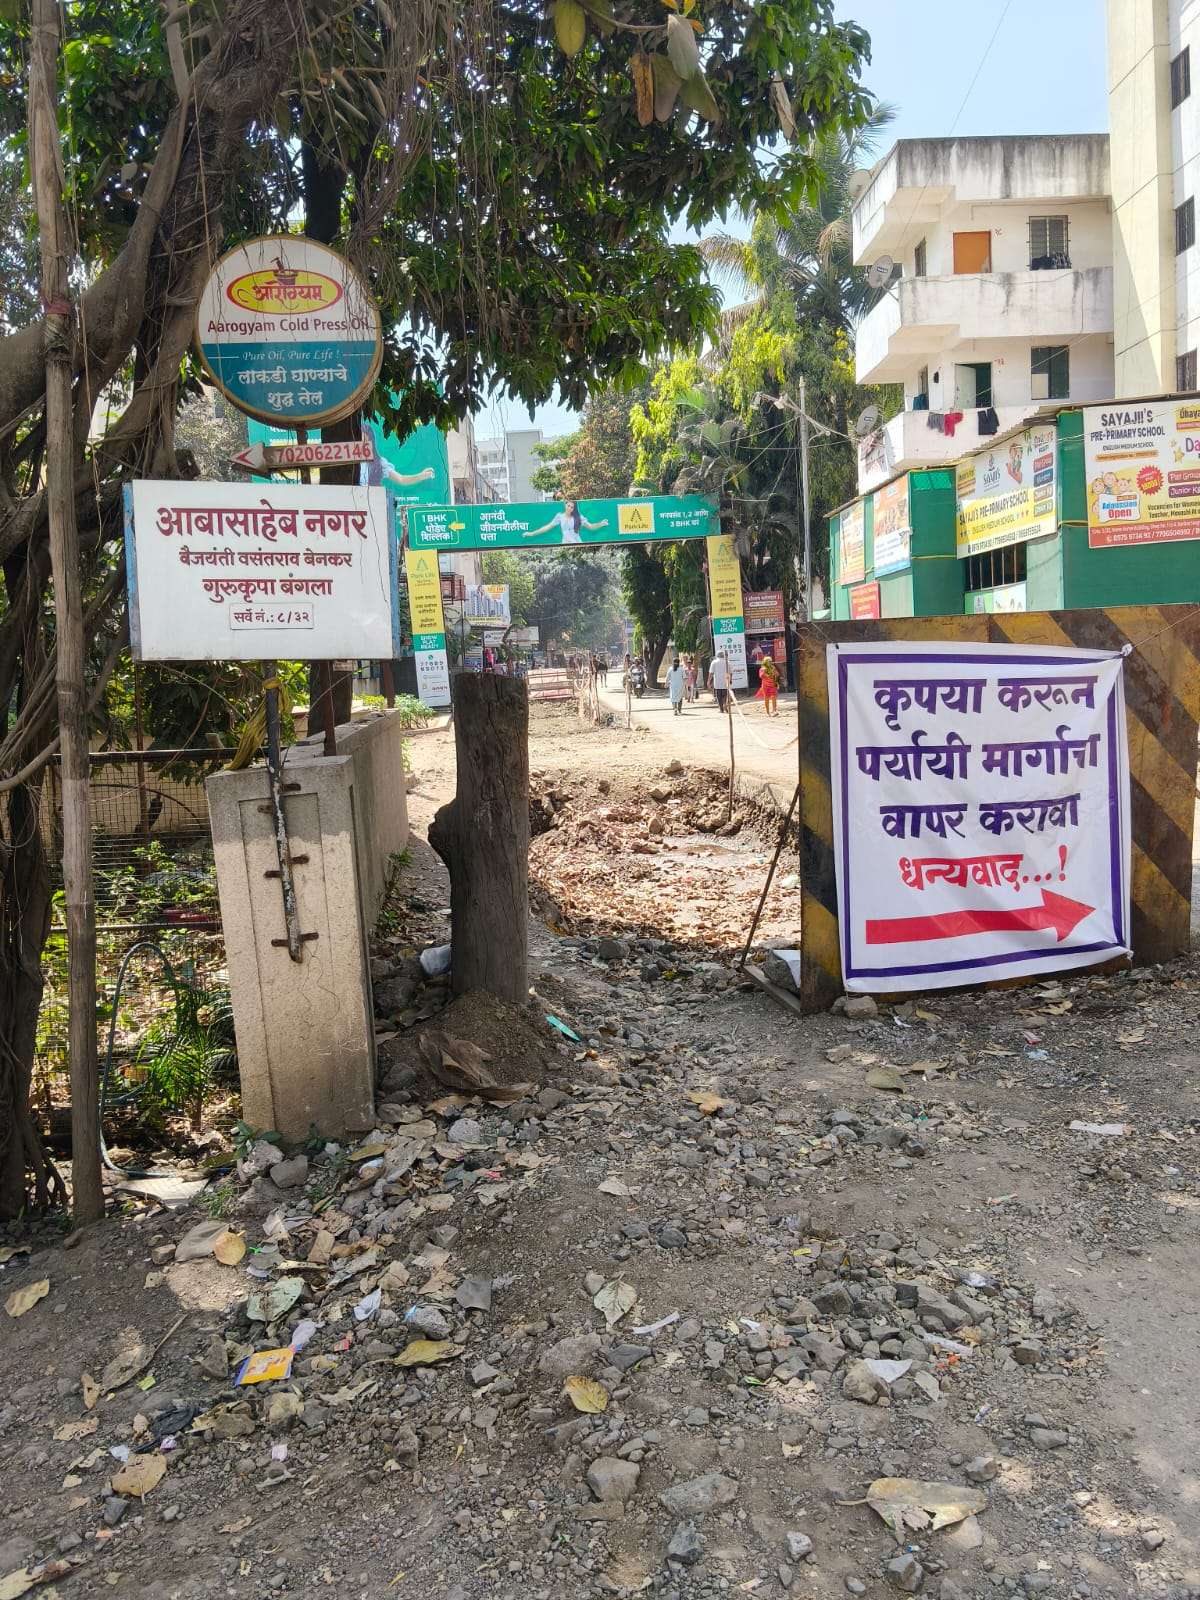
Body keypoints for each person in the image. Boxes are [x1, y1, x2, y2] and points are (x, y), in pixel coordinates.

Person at [360, 423, 437, 489]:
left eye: (365, 441)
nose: (361, 445)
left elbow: (401, 479)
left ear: (371, 442)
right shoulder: (352, 461)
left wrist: (421, 476)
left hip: (371, 499)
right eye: (359, 440)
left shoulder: (379, 462)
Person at [524, 500, 608, 544]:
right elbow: (547, 527)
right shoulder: (559, 516)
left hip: (577, 543)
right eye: (568, 506)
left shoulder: (578, 517)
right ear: (565, 505)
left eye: (572, 507)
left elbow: (591, 527)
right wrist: (532, 533)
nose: (570, 508)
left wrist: (600, 524)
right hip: (565, 544)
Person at [709, 649, 729, 713]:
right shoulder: (727, 662)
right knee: (725, 695)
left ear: (717, 655)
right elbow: (730, 672)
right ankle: (725, 704)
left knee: (719, 696)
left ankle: (721, 709)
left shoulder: (714, 662)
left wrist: (708, 681)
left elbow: (711, 673)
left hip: (717, 683)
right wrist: (730, 679)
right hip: (725, 682)